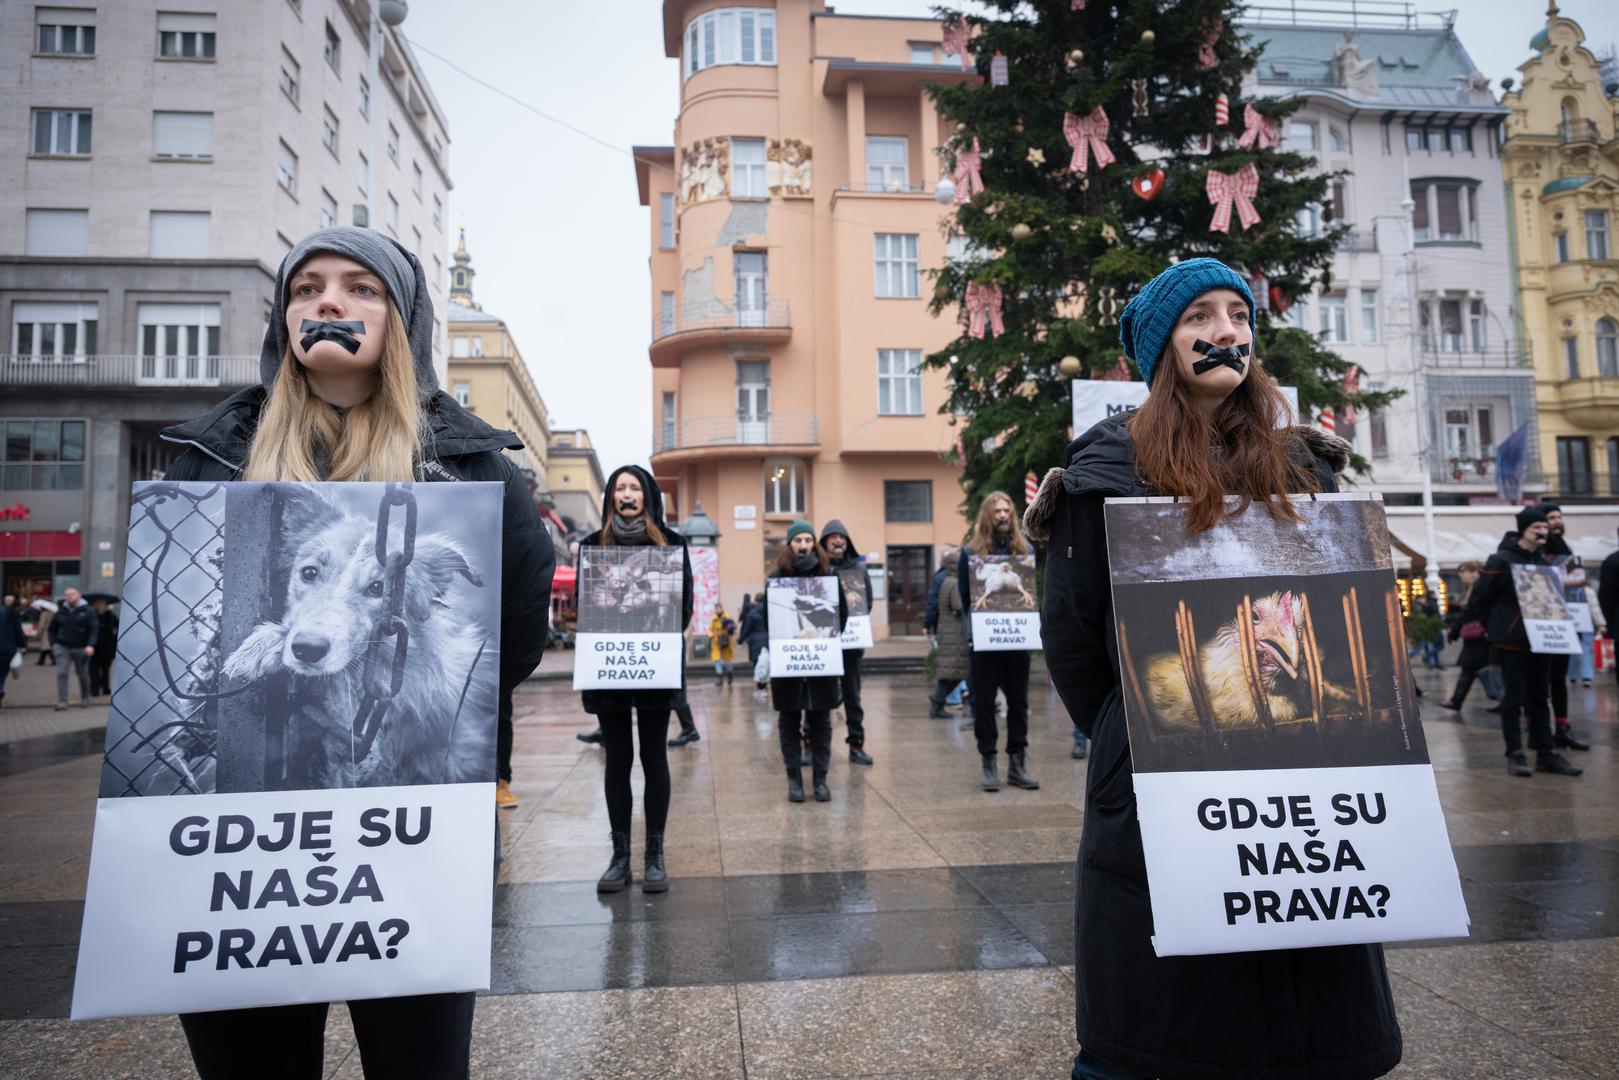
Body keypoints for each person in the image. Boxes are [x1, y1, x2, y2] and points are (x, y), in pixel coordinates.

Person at [157, 225, 553, 1080]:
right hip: (245, 844)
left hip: (411, 842)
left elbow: (513, 630)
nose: (328, 302)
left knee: (418, 1062)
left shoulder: (473, 464)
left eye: (359, 288)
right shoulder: (208, 456)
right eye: (307, 289)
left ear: (400, 322)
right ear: (284, 319)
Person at [1029, 259, 1403, 1080]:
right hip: (1161, 765)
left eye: (1238, 313)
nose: (1226, 331)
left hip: (1303, 766)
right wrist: (1140, 736)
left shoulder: (1303, 466)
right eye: (1200, 315)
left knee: (1305, 1003)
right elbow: (1075, 639)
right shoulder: (1103, 472)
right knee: (1167, 1022)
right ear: (1164, 346)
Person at [580, 465, 693, 894]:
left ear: (647, 495)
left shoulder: (673, 545)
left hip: (654, 668)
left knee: (654, 757)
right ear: (611, 497)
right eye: (620, 488)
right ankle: (620, 856)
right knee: (618, 760)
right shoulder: (592, 547)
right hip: (608, 667)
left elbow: (684, 608)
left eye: (634, 488)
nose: (627, 495)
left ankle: (655, 856)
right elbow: (585, 603)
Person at [1461, 505, 1583, 778]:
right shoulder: (1501, 560)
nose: (1543, 532)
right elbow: (1482, 597)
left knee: (1540, 697)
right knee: (1513, 698)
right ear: (1523, 530)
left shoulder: (1546, 560)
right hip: (1512, 640)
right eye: (1536, 528)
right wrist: (1484, 628)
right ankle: (1514, 753)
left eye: (1544, 527)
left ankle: (1546, 752)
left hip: (1543, 638)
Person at [959, 493, 1039, 792]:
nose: (1003, 515)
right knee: (984, 703)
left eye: (1007, 510)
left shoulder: (1025, 551)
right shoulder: (971, 553)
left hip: (1016, 640)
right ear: (987, 516)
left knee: (1018, 703)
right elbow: (968, 599)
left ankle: (1017, 763)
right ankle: (989, 762)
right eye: (997, 511)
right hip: (985, 642)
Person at [768, 520, 845, 803]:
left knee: (821, 721)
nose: (803, 545)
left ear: (815, 544)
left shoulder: (829, 576)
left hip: (820, 661)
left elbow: (842, 617)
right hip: (788, 662)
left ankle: (821, 780)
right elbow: (770, 620)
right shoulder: (776, 578)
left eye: (808, 540)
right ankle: (794, 781)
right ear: (789, 545)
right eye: (798, 540)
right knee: (789, 721)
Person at [821, 520, 873, 765]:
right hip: (823, 646)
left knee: (853, 696)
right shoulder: (817, 567)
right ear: (824, 542)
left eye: (841, 536)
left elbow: (867, 602)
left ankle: (856, 745)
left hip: (851, 646)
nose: (837, 540)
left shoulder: (859, 570)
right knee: (819, 698)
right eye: (832, 537)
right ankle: (814, 746)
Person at [1541, 504, 1592, 749]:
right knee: (1540, 682)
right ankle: (1539, 731)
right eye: (1551, 518)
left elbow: (1574, 588)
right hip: (1542, 625)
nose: (1557, 521)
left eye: (1559, 517)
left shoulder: (1565, 550)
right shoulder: (1538, 550)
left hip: (1563, 625)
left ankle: (1562, 726)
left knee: (1559, 680)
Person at [1440, 561, 1501, 714]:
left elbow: (1480, 611)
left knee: (1473, 670)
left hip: (1481, 637)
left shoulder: (1482, 588)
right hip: (1475, 636)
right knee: (1471, 670)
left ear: (1474, 571)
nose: (1460, 574)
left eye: (1463, 571)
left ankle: (1457, 701)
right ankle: (1456, 701)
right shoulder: (1471, 589)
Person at [49, 586, 98, 710]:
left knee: (83, 674)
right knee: (62, 673)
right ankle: (62, 702)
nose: (69, 596)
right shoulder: (60, 611)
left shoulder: (88, 611)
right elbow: (51, 630)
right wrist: (54, 644)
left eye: (72, 594)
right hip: (62, 647)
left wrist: (90, 645)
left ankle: (85, 698)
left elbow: (94, 629)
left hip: (82, 648)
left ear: (79, 595)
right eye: (66, 594)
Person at [88, 597, 119, 697]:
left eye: (103, 604)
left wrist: (114, 637)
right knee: (93, 670)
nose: (101, 606)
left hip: (107, 646)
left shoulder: (111, 616)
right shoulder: (92, 615)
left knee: (106, 670)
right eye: (99, 604)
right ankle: (94, 689)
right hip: (94, 646)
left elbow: (117, 627)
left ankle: (105, 688)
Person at [0, 595, 26, 708]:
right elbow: (18, 630)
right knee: (1, 674)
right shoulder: (11, 612)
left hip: (6, 648)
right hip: (7, 649)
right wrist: (22, 645)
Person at [709, 603, 736, 685]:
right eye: (716, 608)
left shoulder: (727, 617)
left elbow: (732, 628)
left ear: (722, 608)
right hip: (717, 641)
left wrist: (727, 626)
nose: (718, 610)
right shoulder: (713, 619)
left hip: (726, 640)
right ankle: (719, 679)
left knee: (727, 660)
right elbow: (711, 629)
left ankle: (730, 675)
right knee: (717, 659)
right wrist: (711, 635)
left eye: (719, 608)